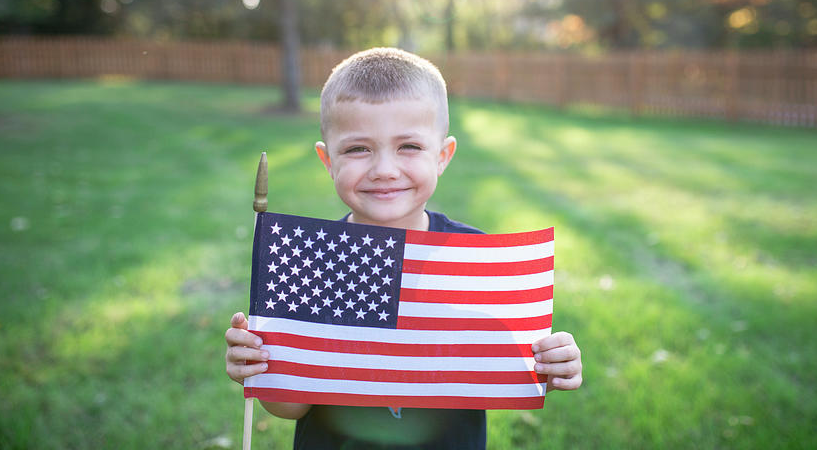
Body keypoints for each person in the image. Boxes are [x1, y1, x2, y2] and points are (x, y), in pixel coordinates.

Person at [225, 47, 583, 448]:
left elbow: (507, 370)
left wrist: (550, 365)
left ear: (443, 156)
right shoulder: (311, 261)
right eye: (358, 149)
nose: (384, 170)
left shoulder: (472, 261)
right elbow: (290, 406)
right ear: (328, 160)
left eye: (408, 147)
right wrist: (260, 367)